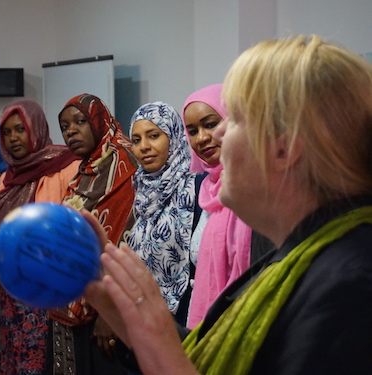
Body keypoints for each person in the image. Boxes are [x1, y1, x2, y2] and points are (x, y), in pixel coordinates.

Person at [84, 34, 372, 375]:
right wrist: (132, 311)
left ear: (284, 149)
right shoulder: (304, 257)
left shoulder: (349, 290)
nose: (215, 137)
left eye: (233, 118)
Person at [0, 99, 80, 375]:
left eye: (20, 129)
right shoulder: (6, 179)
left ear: (35, 128)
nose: (13, 138)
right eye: (7, 132)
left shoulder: (67, 167)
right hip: (12, 298)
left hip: (53, 294)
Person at [49, 93, 139, 375]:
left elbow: (127, 239)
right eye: (64, 127)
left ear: (99, 121)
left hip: (107, 307)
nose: (71, 131)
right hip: (73, 297)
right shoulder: (85, 171)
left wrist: (109, 312)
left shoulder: (125, 162)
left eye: (79, 122)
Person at [181, 84, 259, 329]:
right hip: (204, 325)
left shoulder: (252, 188)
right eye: (192, 131)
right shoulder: (205, 190)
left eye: (211, 124)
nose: (202, 138)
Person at [127, 102, 197, 326]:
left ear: (173, 136)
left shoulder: (196, 187)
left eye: (154, 135)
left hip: (186, 314)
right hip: (143, 316)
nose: (144, 146)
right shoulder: (141, 188)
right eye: (136, 140)